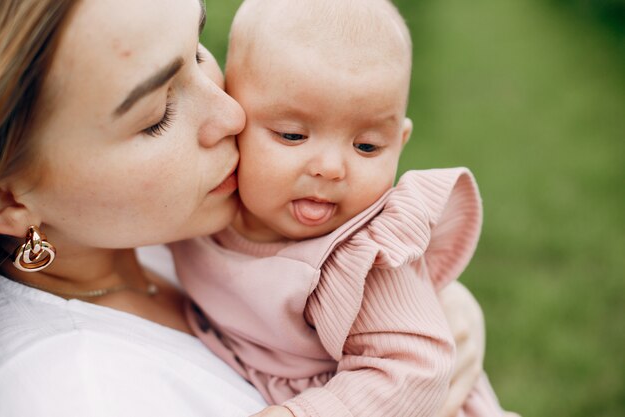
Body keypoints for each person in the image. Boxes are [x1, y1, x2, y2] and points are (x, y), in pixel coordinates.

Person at [0, 0, 495, 416]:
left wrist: (436, 302)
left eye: (197, 50)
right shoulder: (87, 389)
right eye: (156, 116)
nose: (233, 112)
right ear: (9, 199)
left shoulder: (145, 231)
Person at [171, 1, 510, 417]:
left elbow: (415, 368)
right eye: (293, 135)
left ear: (399, 143)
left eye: (367, 146)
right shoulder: (201, 207)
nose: (331, 169)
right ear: (233, 110)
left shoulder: (358, 257)